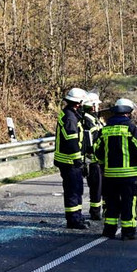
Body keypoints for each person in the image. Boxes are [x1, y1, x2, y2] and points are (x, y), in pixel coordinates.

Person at [96, 98, 137, 240]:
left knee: (111, 203)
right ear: (128, 113)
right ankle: (128, 232)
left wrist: (102, 166)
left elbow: (97, 151)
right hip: (129, 175)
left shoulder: (105, 129)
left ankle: (109, 231)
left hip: (110, 175)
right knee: (129, 203)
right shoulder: (131, 128)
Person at [55, 88, 88, 229]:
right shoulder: (70, 117)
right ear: (78, 103)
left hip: (70, 161)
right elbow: (71, 140)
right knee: (73, 191)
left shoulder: (71, 114)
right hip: (69, 161)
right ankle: (73, 220)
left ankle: (77, 217)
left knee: (76, 189)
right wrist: (78, 160)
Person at [79, 92, 105, 221]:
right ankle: (95, 212)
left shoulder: (93, 119)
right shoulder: (88, 121)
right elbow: (91, 142)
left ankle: (103, 210)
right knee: (96, 188)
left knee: (102, 186)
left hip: (98, 160)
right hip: (93, 161)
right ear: (93, 105)